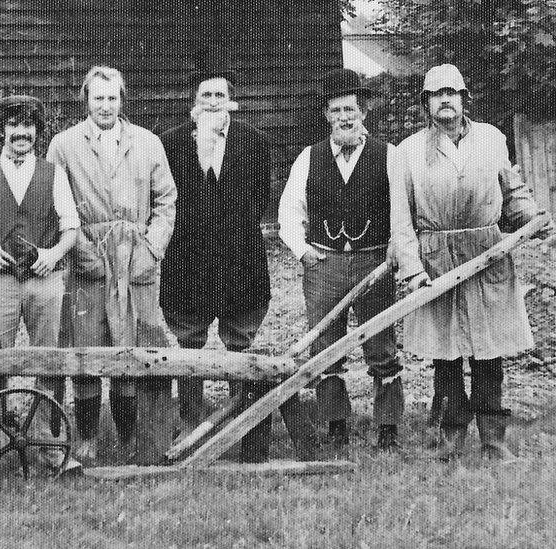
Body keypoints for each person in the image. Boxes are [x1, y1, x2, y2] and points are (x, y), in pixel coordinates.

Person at [391, 64, 550, 461]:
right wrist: (413, 271)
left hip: (488, 255)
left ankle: (494, 440)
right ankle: (450, 439)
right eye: (436, 94)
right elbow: (401, 219)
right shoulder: (408, 151)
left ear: (464, 98)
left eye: (452, 92)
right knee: (446, 355)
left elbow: (510, 189)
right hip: (437, 258)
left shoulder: (492, 139)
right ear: (426, 103)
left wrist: (532, 218)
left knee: (488, 351)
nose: (445, 100)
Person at [160, 68, 318, 462]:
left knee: (239, 339)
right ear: (194, 103)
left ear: (232, 101)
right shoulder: (172, 143)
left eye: (219, 95)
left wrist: (229, 227)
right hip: (188, 258)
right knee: (190, 340)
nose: (212, 102)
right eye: (205, 95)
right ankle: (191, 418)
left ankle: (243, 419)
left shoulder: (255, 142)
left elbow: (260, 197)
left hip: (238, 256)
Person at [47, 65, 177, 465]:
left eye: (112, 98)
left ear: (122, 100)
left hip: (135, 256)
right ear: (86, 100)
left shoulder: (147, 142)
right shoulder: (64, 145)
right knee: (88, 342)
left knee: (132, 342)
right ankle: (85, 435)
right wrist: (81, 252)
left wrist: (152, 249)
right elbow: (54, 203)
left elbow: (166, 201)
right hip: (86, 254)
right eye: (98, 98)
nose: (105, 106)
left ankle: (129, 431)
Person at [278, 68, 406, 451]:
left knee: (381, 345)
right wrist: (304, 252)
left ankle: (388, 426)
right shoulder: (308, 158)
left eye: (351, 109)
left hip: (373, 262)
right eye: (336, 110)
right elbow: (289, 211)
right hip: (325, 265)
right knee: (326, 347)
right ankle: (335, 424)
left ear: (364, 112)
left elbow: (404, 210)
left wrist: (395, 251)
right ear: (327, 116)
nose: (345, 117)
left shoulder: (389, 156)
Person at [0, 94, 81, 474]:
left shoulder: (54, 174)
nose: (21, 133)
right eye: (13, 126)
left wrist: (54, 255)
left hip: (45, 280)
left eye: (28, 126)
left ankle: (48, 443)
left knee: (47, 361)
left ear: (38, 132)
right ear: (1, 131)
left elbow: (70, 228)